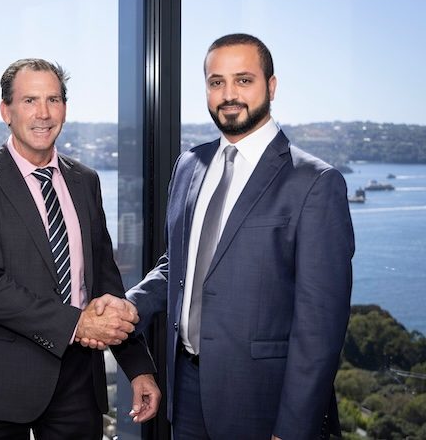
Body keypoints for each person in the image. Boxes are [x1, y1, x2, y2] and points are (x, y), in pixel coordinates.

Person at [91, 33, 353, 439]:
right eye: (216, 82)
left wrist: (292, 428)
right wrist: (128, 307)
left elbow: (321, 328)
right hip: (187, 390)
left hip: (265, 403)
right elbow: (178, 265)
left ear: (272, 85)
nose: (229, 94)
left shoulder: (315, 182)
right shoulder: (189, 165)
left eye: (243, 80)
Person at [0, 58, 160, 439]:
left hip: (79, 381)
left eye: (54, 99)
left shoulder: (86, 181)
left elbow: (105, 283)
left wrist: (138, 367)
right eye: (29, 101)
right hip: (0, 384)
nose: (43, 113)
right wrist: (78, 324)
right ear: (6, 111)